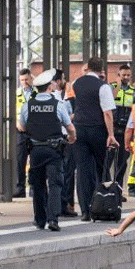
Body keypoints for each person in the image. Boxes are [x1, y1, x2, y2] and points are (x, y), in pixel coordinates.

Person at [17, 68, 76, 231]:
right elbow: (69, 126)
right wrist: (72, 138)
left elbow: (21, 125)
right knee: (55, 183)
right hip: (54, 150)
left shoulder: (27, 106)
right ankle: (53, 219)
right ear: (50, 87)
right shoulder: (58, 105)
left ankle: (39, 219)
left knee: (38, 184)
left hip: (35, 150)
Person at [72, 56, 118, 221]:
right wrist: (111, 135)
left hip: (79, 130)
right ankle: (101, 206)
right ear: (101, 70)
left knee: (83, 170)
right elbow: (107, 112)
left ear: (87, 68)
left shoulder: (76, 83)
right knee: (101, 168)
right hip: (97, 130)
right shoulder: (103, 87)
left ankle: (85, 210)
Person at [52, 69, 78, 217]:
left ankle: (66, 204)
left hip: (64, 137)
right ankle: (61, 204)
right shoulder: (53, 98)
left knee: (66, 172)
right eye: (62, 79)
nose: (64, 82)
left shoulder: (67, 96)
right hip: (62, 137)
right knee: (63, 172)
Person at [110, 64, 135, 187]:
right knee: (107, 161)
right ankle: (105, 189)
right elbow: (111, 98)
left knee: (122, 162)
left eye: (128, 75)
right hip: (112, 130)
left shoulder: (133, 91)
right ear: (118, 75)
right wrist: (118, 85)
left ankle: (118, 188)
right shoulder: (112, 87)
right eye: (123, 75)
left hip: (125, 131)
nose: (126, 77)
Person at [14, 68, 34, 198]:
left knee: (34, 160)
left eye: (26, 79)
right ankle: (20, 188)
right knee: (20, 159)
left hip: (34, 130)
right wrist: (17, 122)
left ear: (31, 78)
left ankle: (33, 187)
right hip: (20, 130)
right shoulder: (17, 93)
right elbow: (12, 109)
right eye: (22, 80)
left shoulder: (37, 92)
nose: (24, 82)